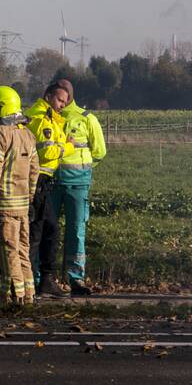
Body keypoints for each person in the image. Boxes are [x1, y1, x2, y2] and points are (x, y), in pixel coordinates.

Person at [0, 85, 40, 305]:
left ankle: (13, 296)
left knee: (7, 252)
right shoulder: (28, 135)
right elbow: (34, 172)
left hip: (3, 206)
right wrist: (30, 200)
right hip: (22, 206)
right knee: (23, 251)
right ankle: (28, 295)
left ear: (0, 109)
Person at [50, 79, 107, 296]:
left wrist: (82, 170)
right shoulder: (48, 117)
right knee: (49, 232)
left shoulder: (87, 119)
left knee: (76, 231)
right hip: (52, 184)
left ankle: (76, 278)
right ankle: (44, 277)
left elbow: (99, 151)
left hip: (77, 184)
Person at [25, 83, 75, 298]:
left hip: (43, 182)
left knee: (47, 231)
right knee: (40, 232)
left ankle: (39, 280)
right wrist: (69, 146)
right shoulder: (42, 119)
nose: (62, 105)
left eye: (65, 102)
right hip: (38, 181)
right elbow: (47, 152)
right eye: (60, 100)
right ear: (47, 96)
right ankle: (34, 281)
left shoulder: (50, 118)